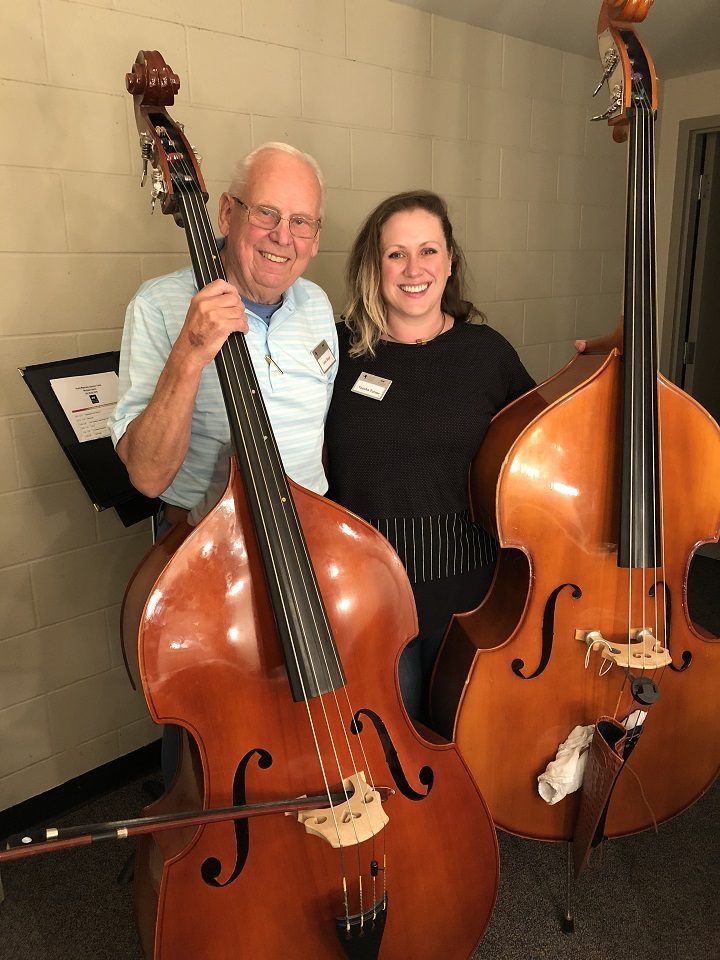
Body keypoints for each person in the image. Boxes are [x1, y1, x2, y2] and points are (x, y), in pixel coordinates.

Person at [109, 142, 338, 781]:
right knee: (206, 720)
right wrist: (191, 350)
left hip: (308, 541)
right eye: (267, 213)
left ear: (316, 238)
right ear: (226, 211)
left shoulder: (318, 307)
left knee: (304, 704)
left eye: (301, 222)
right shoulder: (158, 307)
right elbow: (147, 475)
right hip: (205, 557)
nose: (282, 237)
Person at [324, 190, 535, 724]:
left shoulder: (488, 353)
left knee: (467, 746)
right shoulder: (335, 350)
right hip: (365, 598)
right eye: (395, 253)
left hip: (470, 596)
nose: (413, 269)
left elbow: (538, 453)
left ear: (450, 261)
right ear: (373, 265)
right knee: (387, 750)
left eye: (428, 251)